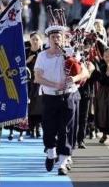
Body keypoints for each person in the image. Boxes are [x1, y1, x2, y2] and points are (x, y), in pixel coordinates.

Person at [34, 18, 83, 176]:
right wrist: (55, 85)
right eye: (53, 37)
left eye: (59, 37)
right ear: (49, 39)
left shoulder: (71, 52)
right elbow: (38, 77)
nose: (56, 40)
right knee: (49, 128)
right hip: (50, 96)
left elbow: (85, 71)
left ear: (63, 38)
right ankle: (51, 151)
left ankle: (63, 161)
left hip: (68, 95)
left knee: (66, 129)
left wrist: (74, 78)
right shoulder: (42, 55)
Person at [26, 32, 43, 139]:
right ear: (30, 41)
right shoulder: (25, 52)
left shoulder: (44, 53)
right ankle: (30, 127)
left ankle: (39, 126)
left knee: (40, 105)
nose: (35, 41)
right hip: (28, 82)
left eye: (37, 39)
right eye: (33, 39)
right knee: (30, 105)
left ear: (41, 41)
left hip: (40, 82)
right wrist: (27, 61)